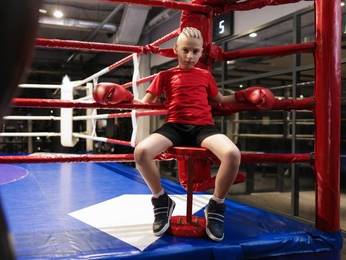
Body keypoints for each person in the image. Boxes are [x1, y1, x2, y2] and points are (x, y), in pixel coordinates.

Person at [92, 27, 275, 241]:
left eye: (195, 52)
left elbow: (221, 101)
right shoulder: (165, 75)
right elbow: (143, 104)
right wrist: (122, 96)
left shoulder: (205, 75)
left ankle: (216, 205)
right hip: (174, 127)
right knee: (141, 152)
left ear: (201, 52)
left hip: (203, 127)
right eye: (186, 50)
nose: (190, 56)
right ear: (176, 49)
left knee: (232, 154)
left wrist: (248, 95)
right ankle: (161, 200)